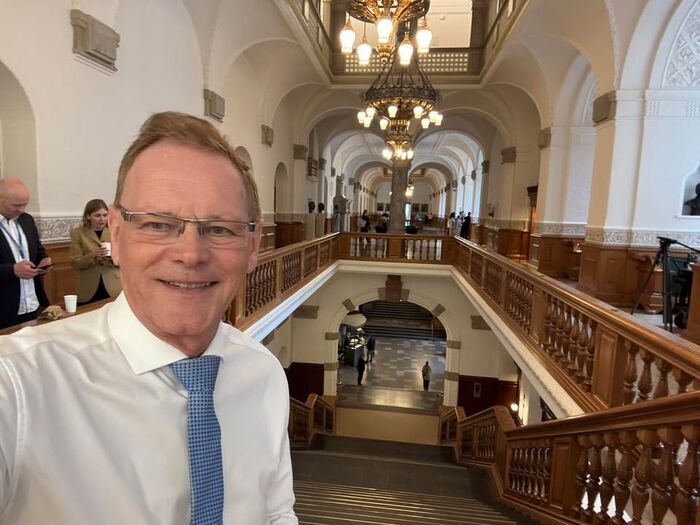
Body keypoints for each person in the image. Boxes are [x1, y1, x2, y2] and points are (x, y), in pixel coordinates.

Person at [0, 112, 298, 524]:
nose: (190, 254)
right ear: (117, 235)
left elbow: (277, 511)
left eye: (220, 229)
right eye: (158, 224)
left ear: (252, 245)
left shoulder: (262, 372)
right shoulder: (17, 384)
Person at [0, 178, 52, 329]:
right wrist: (12, 270)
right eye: (16, 205)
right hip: (4, 310)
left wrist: (43, 261)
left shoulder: (27, 220)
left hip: (33, 305)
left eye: (25, 204)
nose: (22, 210)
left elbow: (38, 251)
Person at [69, 199, 122, 305]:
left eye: (105, 215)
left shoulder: (116, 231)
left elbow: (127, 261)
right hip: (89, 286)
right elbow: (75, 264)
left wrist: (112, 257)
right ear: (88, 216)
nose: (102, 219)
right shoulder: (77, 233)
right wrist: (94, 254)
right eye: (97, 215)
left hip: (113, 285)